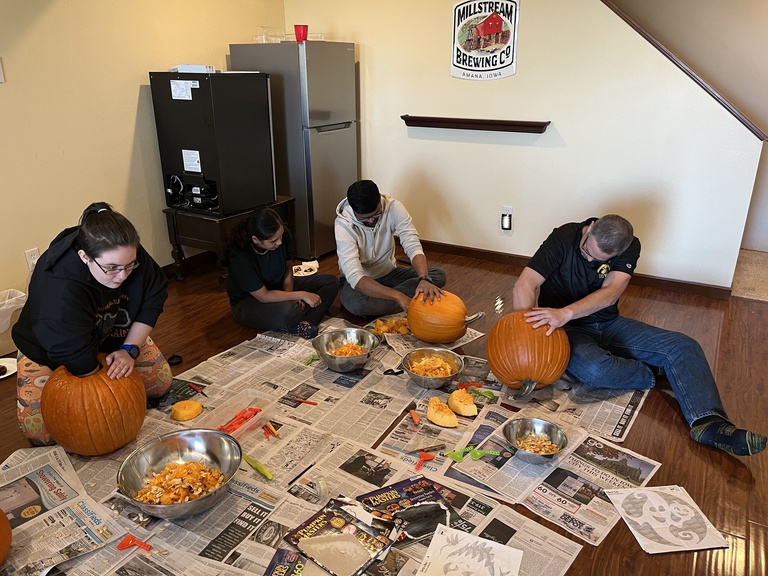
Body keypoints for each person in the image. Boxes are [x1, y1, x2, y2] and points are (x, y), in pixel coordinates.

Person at [512, 214, 766, 457]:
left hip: (606, 322)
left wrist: (566, 312)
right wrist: (531, 339)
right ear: (589, 229)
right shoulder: (564, 236)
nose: (590, 261)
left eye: (598, 259)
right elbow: (526, 284)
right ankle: (654, 372)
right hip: (564, 330)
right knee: (596, 371)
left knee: (684, 347)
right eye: (587, 252)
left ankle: (708, 422)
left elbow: (611, 292)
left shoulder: (630, 246)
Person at [12, 202, 173, 446]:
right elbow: (72, 353)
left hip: (112, 334)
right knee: (40, 434)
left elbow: (153, 300)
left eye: (130, 265)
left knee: (160, 385)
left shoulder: (130, 253)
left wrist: (130, 349)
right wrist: (105, 400)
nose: (123, 276)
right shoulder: (59, 287)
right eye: (112, 268)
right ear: (85, 257)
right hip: (50, 348)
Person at [335, 179, 447, 317]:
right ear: (353, 210)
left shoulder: (393, 207)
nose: (371, 221)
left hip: (389, 273)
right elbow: (355, 276)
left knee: (438, 275)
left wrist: (424, 279)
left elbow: (411, 243)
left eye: (376, 214)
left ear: (379, 200)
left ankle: (385, 296)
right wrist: (397, 296)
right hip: (360, 281)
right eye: (365, 218)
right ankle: (406, 298)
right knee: (359, 305)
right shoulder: (343, 225)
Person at [224, 207, 339, 339]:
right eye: (273, 241)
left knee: (331, 282)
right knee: (290, 311)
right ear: (256, 240)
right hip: (250, 301)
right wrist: (300, 295)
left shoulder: (284, 235)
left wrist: (291, 295)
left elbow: (288, 268)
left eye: (280, 237)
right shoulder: (240, 256)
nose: (279, 242)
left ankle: (306, 323)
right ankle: (297, 320)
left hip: (278, 287)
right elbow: (264, 296)